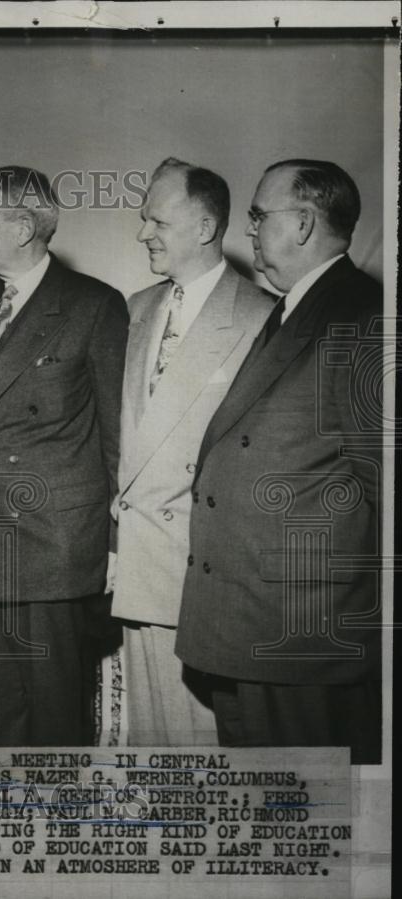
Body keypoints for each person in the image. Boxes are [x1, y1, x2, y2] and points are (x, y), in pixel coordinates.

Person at [176, 159, 383, 763]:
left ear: (303, 223)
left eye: (259, 215)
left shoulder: (362, 315)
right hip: (250, 622)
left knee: (307, 800)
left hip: (302, 632)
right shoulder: (294, 308)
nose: (250, 230)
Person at [0, 165, 128, 746]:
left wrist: (117, 542)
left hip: (54, 542)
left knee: (55, 710)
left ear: (23, 228)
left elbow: (118, 436)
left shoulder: (94, 305)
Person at [111, 158, 273, 745]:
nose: (143, 233)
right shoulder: (135, 308)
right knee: (149, 739)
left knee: (201, 748)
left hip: (201, 571)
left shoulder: (262, 317)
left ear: (205, 228)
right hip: (136, 562)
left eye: (157, 221)